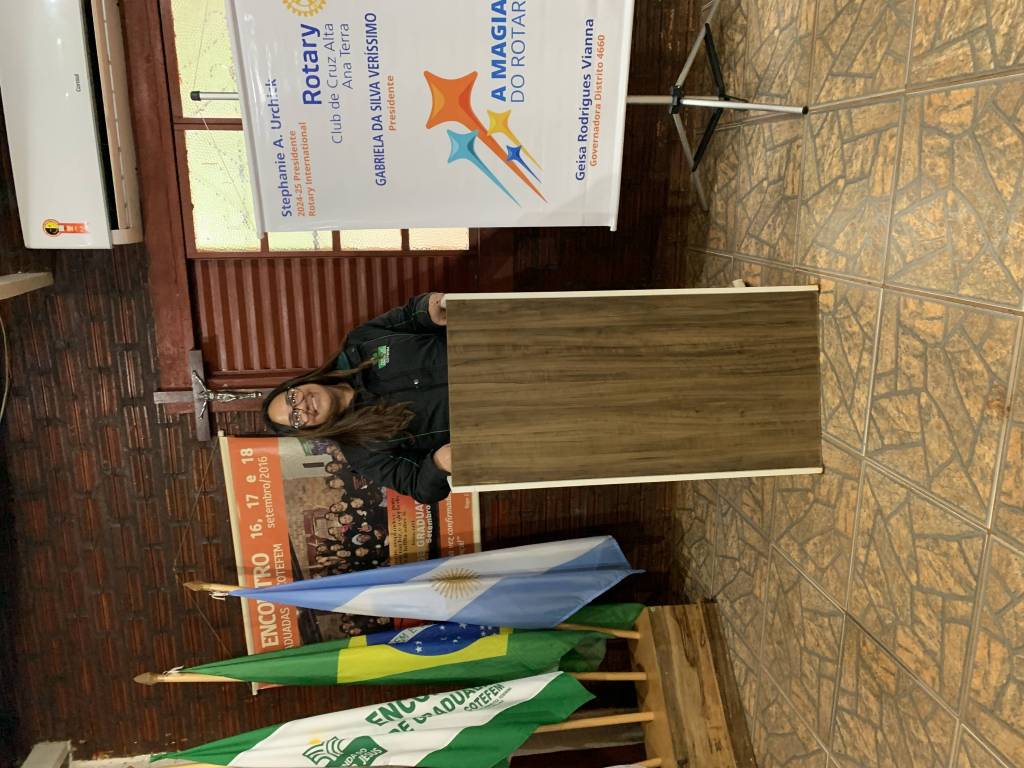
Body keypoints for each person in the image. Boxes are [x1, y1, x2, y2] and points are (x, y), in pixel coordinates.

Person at [263, 293, 452, 503]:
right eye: (296, 418)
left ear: (297, 384)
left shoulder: (359, 343)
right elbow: (416, 484)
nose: (302, 406)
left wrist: (427, 308)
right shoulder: (363, 453)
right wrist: (439, 464)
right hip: (481, 416)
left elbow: (410, 315)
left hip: (477, 346)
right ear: (306, 430)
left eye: (291, 398)